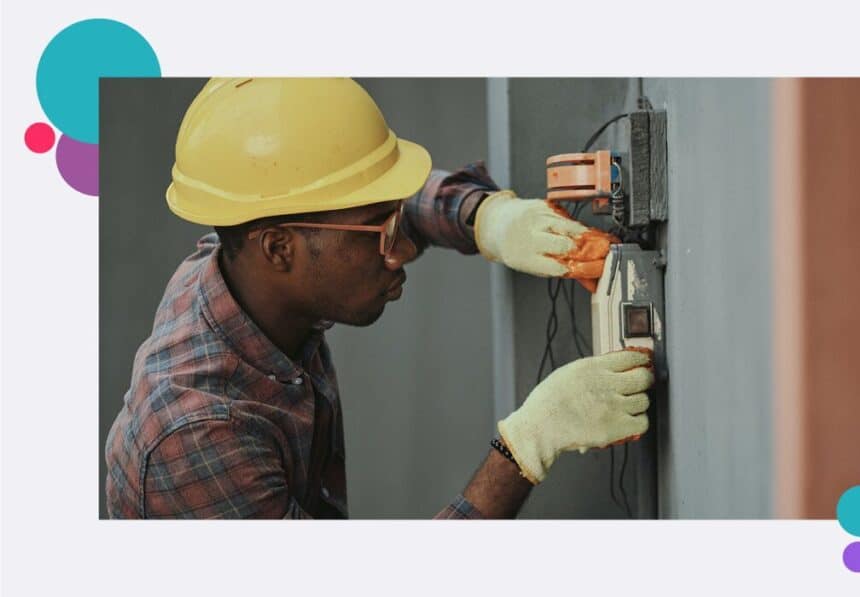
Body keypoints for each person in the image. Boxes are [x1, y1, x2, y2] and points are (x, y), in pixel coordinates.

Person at [104, 78, 653, 519]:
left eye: (394, 220)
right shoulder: (200, 435)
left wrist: (484, 218)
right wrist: (525, 447)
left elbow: (356, 205)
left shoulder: (243, 257)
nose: (400, 252)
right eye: (380, 234)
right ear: (277, 248)